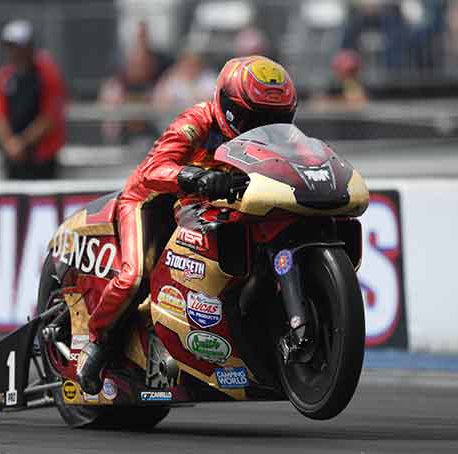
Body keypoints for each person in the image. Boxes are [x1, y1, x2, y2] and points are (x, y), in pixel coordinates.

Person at [77, 55, 298, 395]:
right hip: (154, 200)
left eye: (274, 119)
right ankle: (95, 344)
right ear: (228, 107)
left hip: (211, 206)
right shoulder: (198, 120)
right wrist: (194, 176)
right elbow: (152, 170)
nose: (263, 129)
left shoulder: (282, 139)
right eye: (254, 119)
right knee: (134, 275)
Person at [0, 20, 67, 180]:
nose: (14, 52)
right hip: (13, 159)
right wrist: (10, 143)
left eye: (19, 47)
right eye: (10, 47)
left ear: (30, 47)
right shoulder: (4, 76)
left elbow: (49, 118)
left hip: (42, 158)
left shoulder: (48, 74)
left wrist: (22, 143)